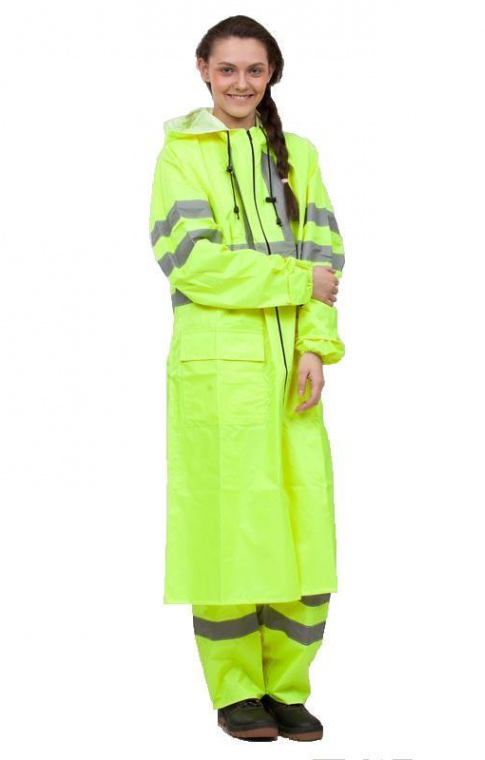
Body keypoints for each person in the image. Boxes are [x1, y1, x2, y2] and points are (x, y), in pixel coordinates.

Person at [148, 14, 346, 743]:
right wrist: (295, 282)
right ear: (203, 69)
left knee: (301, 527)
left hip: (292, 371)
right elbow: (190, 263)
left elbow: (327, 260)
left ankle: (287, 688)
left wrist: (315, 346)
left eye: (254, 70)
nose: (240, 83)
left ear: (272, 75)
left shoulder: (301, 155)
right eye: (227, 69)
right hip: (218, 377)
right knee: (229, 529)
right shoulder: (181, 156)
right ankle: (236, 692)